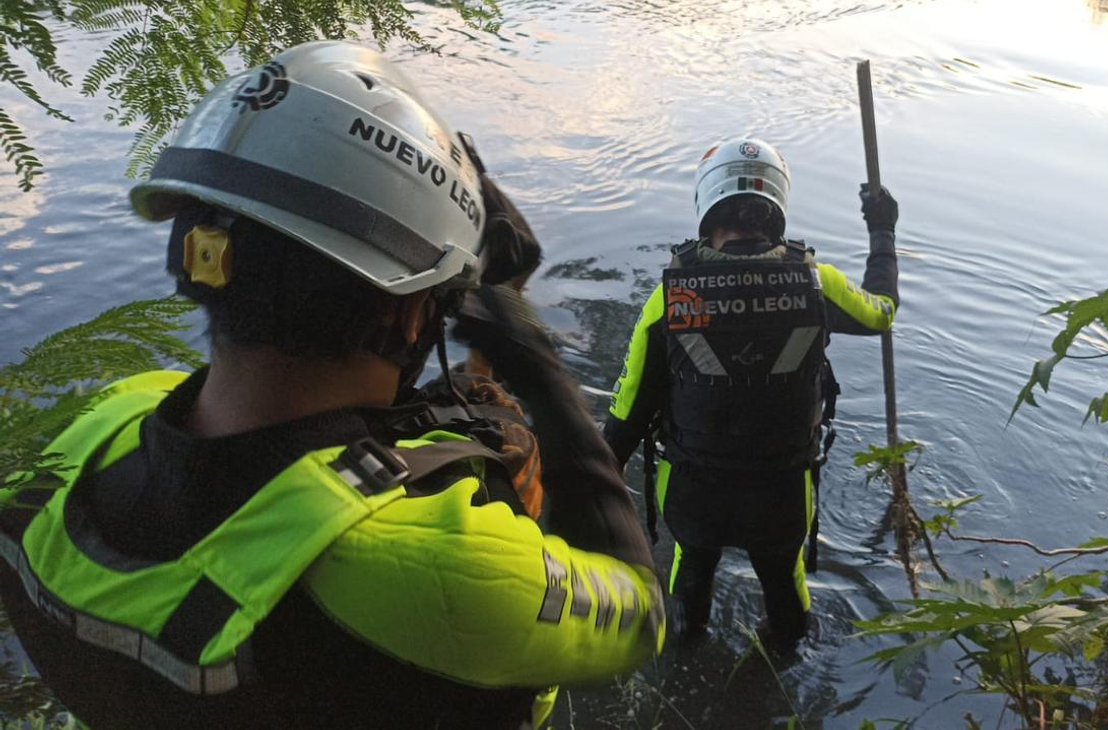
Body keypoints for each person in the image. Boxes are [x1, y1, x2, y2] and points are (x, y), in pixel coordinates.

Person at [0, 41, 662, 729]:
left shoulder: (87, 437)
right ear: (410, 310)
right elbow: (639, 614)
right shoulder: (441, 569)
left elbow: (286, 449)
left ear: (201, 255)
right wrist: (532, 361)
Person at [602, 138, 899, 645]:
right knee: (784, 583)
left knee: (691, 569)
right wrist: (882, 230)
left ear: (706, 204)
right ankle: (782, 666)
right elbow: (882, 312)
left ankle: (687, 649)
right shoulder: (816, 283)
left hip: (694, 494)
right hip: (782, 492)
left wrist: (591, 489)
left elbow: (626, 416)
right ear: (776, 208)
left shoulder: (669, 299)